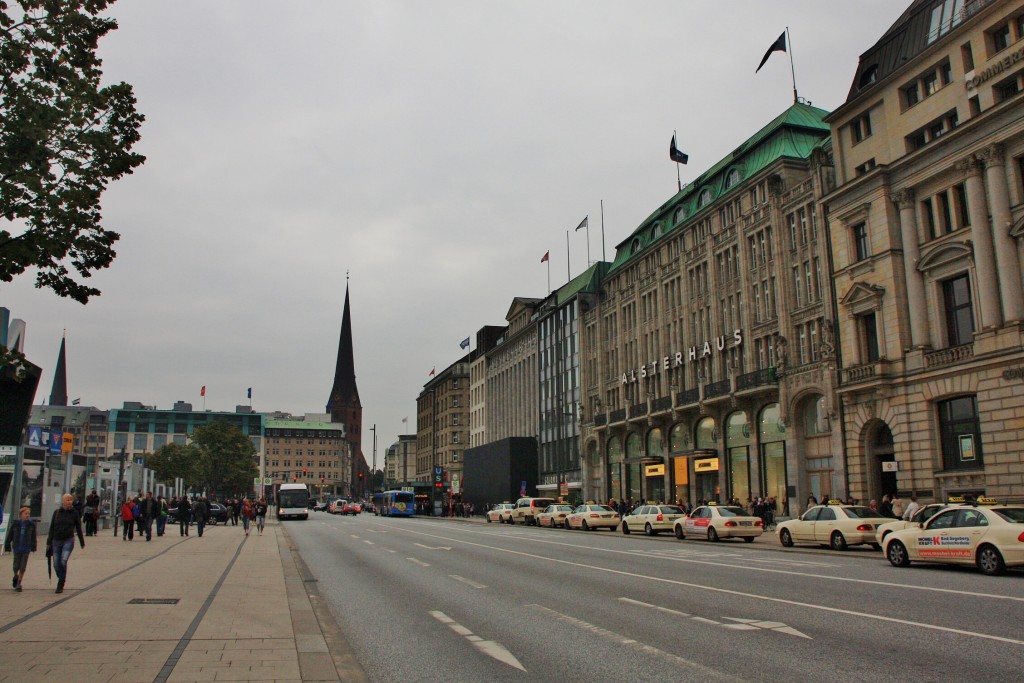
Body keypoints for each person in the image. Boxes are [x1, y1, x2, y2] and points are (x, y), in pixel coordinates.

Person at [46, 493, 85, 594]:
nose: (69, 502)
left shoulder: (74, 513)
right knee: (55, 564)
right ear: (63, 501)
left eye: (70, 500)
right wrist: (48, 542)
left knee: (63, 561)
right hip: (56, 540)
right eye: (67, 500)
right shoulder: (57, 512)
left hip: (68, 540)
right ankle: (61, 577)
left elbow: (78, 527)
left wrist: (82, 541)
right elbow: (52, 527)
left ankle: (61, 583)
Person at [4, 507, 37, 592]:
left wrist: (34, 546)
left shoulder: (31, 525)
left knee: (22, 566)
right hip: (17, 547)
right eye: (25, 514)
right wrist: (7, 544)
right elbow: (10, 534)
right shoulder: (16, 524)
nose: (27, 515)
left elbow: (33, 536)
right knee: (16, 565)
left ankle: (19, 583)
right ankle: (16, 575)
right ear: (21, 515)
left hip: (26, 548)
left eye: (28, 514)